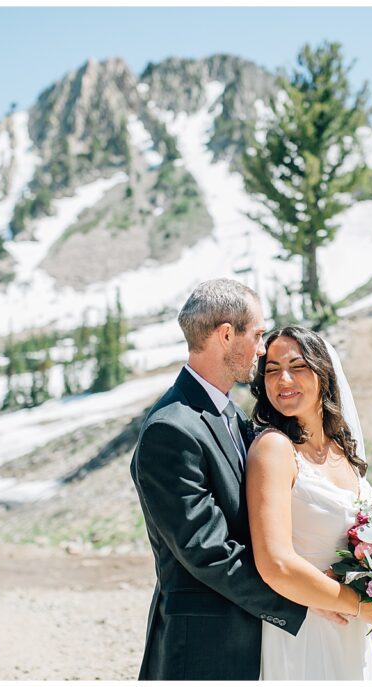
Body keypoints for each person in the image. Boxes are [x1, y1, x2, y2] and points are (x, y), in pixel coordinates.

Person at [129, 279, 353, 680]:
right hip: (204, 648)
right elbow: (207, 551)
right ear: (226, 335)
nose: (263, 348)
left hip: (257, 643)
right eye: (258, 334)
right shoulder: (172, 428)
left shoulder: (234, 417)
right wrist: (301, 600)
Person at [246, 325, 372, 680]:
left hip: (348, 628)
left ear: (324, 371)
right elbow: (276, 565)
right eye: (271, 369)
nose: (283, 378)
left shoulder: (341, 451)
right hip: (304, 632)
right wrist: (362, 606)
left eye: (297, 366)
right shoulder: (273, 449)